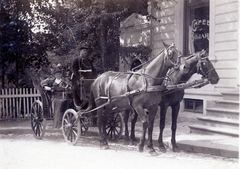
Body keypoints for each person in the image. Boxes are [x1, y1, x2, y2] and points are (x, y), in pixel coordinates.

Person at [41, 63, 69, 128]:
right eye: (57, 74)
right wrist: (47, 87)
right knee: (59, 103)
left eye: (59, 73)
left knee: (68, 102)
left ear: (61, 74)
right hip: (55, 97)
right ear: (55, 74)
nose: (58, 75)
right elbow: (43, 83)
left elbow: (69, 86)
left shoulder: (64, 81)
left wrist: (68, 87)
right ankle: (58, 124)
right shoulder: (51, 80)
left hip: (64, 96)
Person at [71, 43, 97, 108]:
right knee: (76, 87)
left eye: (86, 51)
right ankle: (78, 103)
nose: (85, 52)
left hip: (88, 79)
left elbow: (93, 70)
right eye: (84, 51)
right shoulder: (76, 60)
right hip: (78, 78)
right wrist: (80, 77)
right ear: (80, 51)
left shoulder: (89, 61)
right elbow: (74, 69)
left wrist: (96, 77)